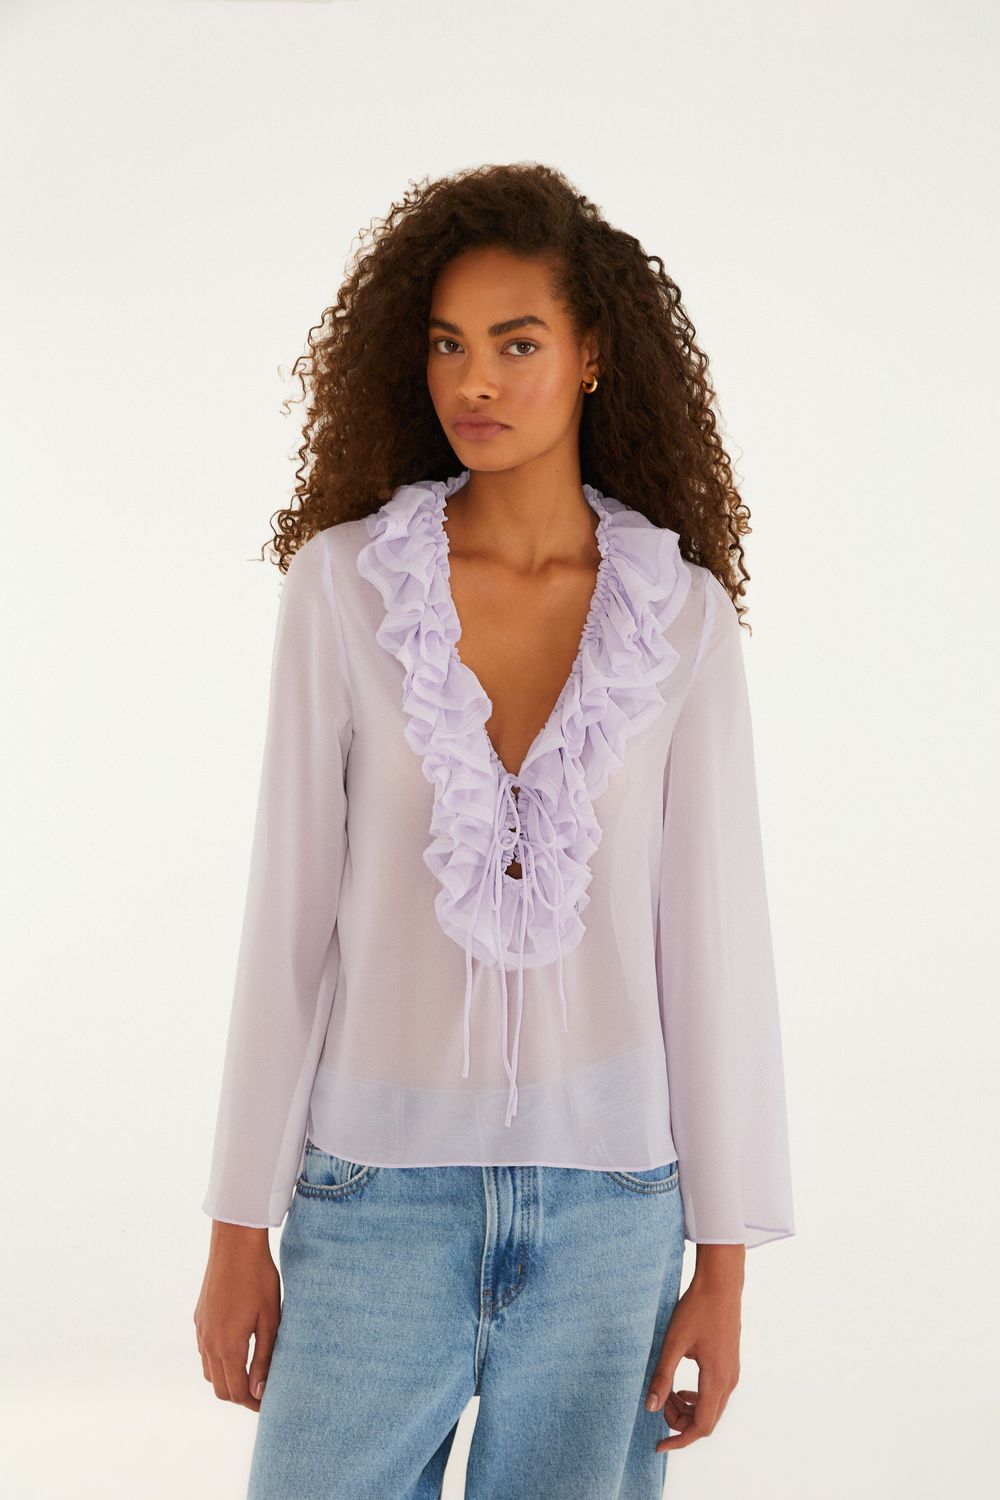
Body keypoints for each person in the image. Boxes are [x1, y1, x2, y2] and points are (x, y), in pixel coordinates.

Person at [193, 161, 795, 1500]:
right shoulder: (345, 590)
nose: (475, 380)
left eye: (518, 344)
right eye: (448, 344)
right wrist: (238, 1223)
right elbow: (289, 921)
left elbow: (712, 949)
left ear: (592, 357)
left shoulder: (681, 617)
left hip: (612, 1217)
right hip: (370, 1202)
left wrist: (724, 1266)